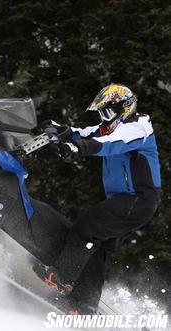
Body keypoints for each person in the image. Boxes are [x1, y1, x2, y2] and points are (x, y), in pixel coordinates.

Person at [33, 84, 161, 314]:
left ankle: (62, 277)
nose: (103, 118)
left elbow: (108, 144)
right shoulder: (110, 129)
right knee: (96, 246)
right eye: (101, 113)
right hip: (126, 200)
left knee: (89, 225)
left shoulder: (139, 126)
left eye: (107, 112)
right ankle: (84, 304)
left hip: (139, 199)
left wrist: (77, 147)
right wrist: (64, 131)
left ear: (124, 109)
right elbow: (87, 133)